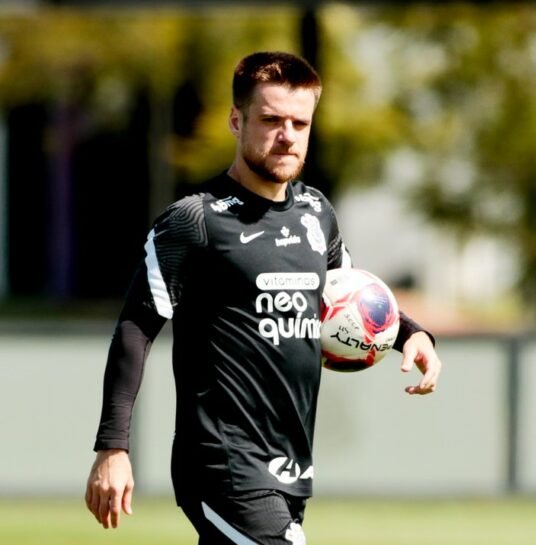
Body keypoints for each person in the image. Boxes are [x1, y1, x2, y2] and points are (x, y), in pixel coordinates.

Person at [84, 50, 442, 545]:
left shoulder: (317, 213)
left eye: (300, 122)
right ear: (237, 120)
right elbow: (135, 328)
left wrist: (410, 334)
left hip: (290, 465)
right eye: (271, 119)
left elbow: (348, 289)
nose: (287, 135)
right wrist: (113, 447)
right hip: (222, 463)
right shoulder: (195, 221)